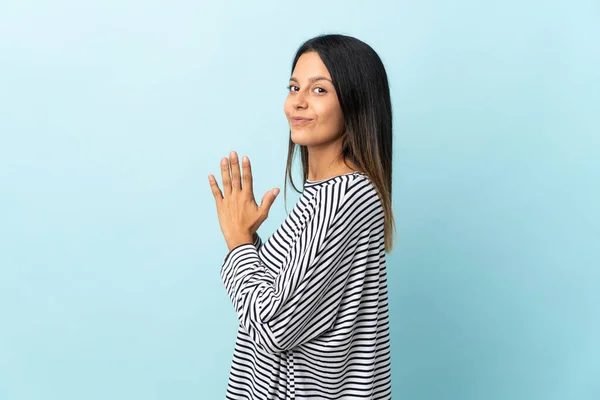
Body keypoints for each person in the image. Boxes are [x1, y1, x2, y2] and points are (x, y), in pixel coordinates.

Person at [208, 33, 396, 400]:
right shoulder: (328, 195)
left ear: (355, 102)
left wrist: (238, 245)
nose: (298, 102)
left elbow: (276, 327)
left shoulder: (344, 197)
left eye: (319, 90)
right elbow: (294, 297)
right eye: (294, 87)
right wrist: (250, 242)